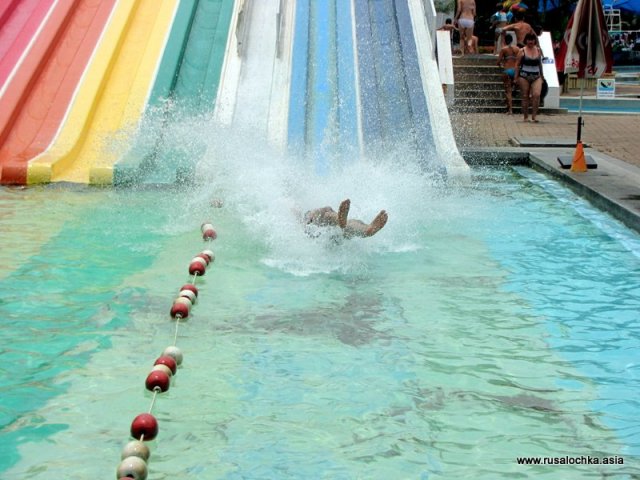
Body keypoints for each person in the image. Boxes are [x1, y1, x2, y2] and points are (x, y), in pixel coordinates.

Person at [303, 199, 388, 239]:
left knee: (346, 225)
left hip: (327, 236)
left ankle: (367, 229)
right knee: (326, 212)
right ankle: (366, 229)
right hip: (324, 234)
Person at [514, 32, 544, 123]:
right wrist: (516, 77)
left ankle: (534, 116)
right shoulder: (522, 51)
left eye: (532, 40)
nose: (530, 41)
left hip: (536, 75)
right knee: (525, 96)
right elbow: (517, 64)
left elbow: (540, 64)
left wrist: (542, 76)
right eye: (529, 40)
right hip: (524, 75)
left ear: (535, 41)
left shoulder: (538, 50)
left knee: (536, 94)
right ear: (526, 41)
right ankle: (525, 116)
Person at [497, 34, 520, 114]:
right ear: (512, 40)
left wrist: (501, 65)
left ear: (505, 41)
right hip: (516, 70)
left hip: (507, 70)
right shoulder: (517, 49)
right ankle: (515, 88)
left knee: (508, 91)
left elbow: (498, 62)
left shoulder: (503, 49)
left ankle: (510, 110)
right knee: (513, 88)